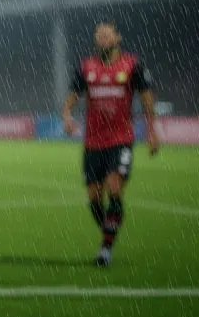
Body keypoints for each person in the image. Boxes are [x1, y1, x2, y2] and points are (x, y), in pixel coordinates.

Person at [62, 21, 160, 267]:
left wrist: (151, 131)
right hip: (93, 142)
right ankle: (110, 227)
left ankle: (105, 249)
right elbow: (74, 94)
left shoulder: (132, 65)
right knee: (94, 197)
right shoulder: (87, 67)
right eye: (99, 35)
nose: (103, 38)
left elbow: (147, 98)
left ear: (118, 38)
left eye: (107, 35)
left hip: (120, 140)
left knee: (114, 187)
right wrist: (66, 115)